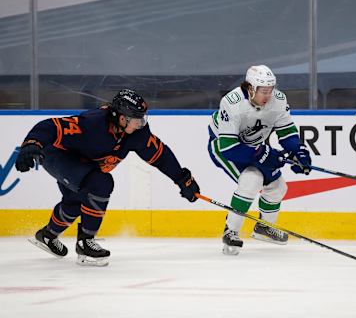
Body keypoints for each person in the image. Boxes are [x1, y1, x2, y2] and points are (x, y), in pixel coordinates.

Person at [15, 89, 200, 266]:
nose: (141, 123)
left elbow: (160, 155)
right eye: (137, 119)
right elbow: (50, 126)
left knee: (76, 202)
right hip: (58, 156)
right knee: (100, 184)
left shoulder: (137, 133)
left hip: (82, 165)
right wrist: (32, 142)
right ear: (122, 118)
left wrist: (182, 178)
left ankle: (47, 235)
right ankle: (86, 242)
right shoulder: (93, 124)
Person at [208, 65, 312, 255]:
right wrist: (264, 154)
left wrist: (298, 152)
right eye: (264, 91)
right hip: (224, 147)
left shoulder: (278, 100)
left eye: (271, 90)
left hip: (255, 147)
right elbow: (229, 148)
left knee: (278, 188)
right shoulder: (231, 103)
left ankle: (263, 227)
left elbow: (287, 131)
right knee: (252, 180)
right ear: (250, 89)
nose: (269, 95)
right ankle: (230, 232)